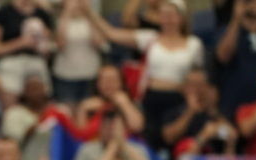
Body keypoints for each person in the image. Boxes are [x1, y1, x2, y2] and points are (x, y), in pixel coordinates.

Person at [83, 0, 204, 147]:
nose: (168, 19)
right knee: (148, 142)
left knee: (176, 141)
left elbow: (199, 77)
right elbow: (112, 34)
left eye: (172, 14)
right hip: (151, 99)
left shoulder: (194, 44)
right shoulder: (150, 38)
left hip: (178, 101)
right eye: (164, 14)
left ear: (181, 17)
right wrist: (89, 13)